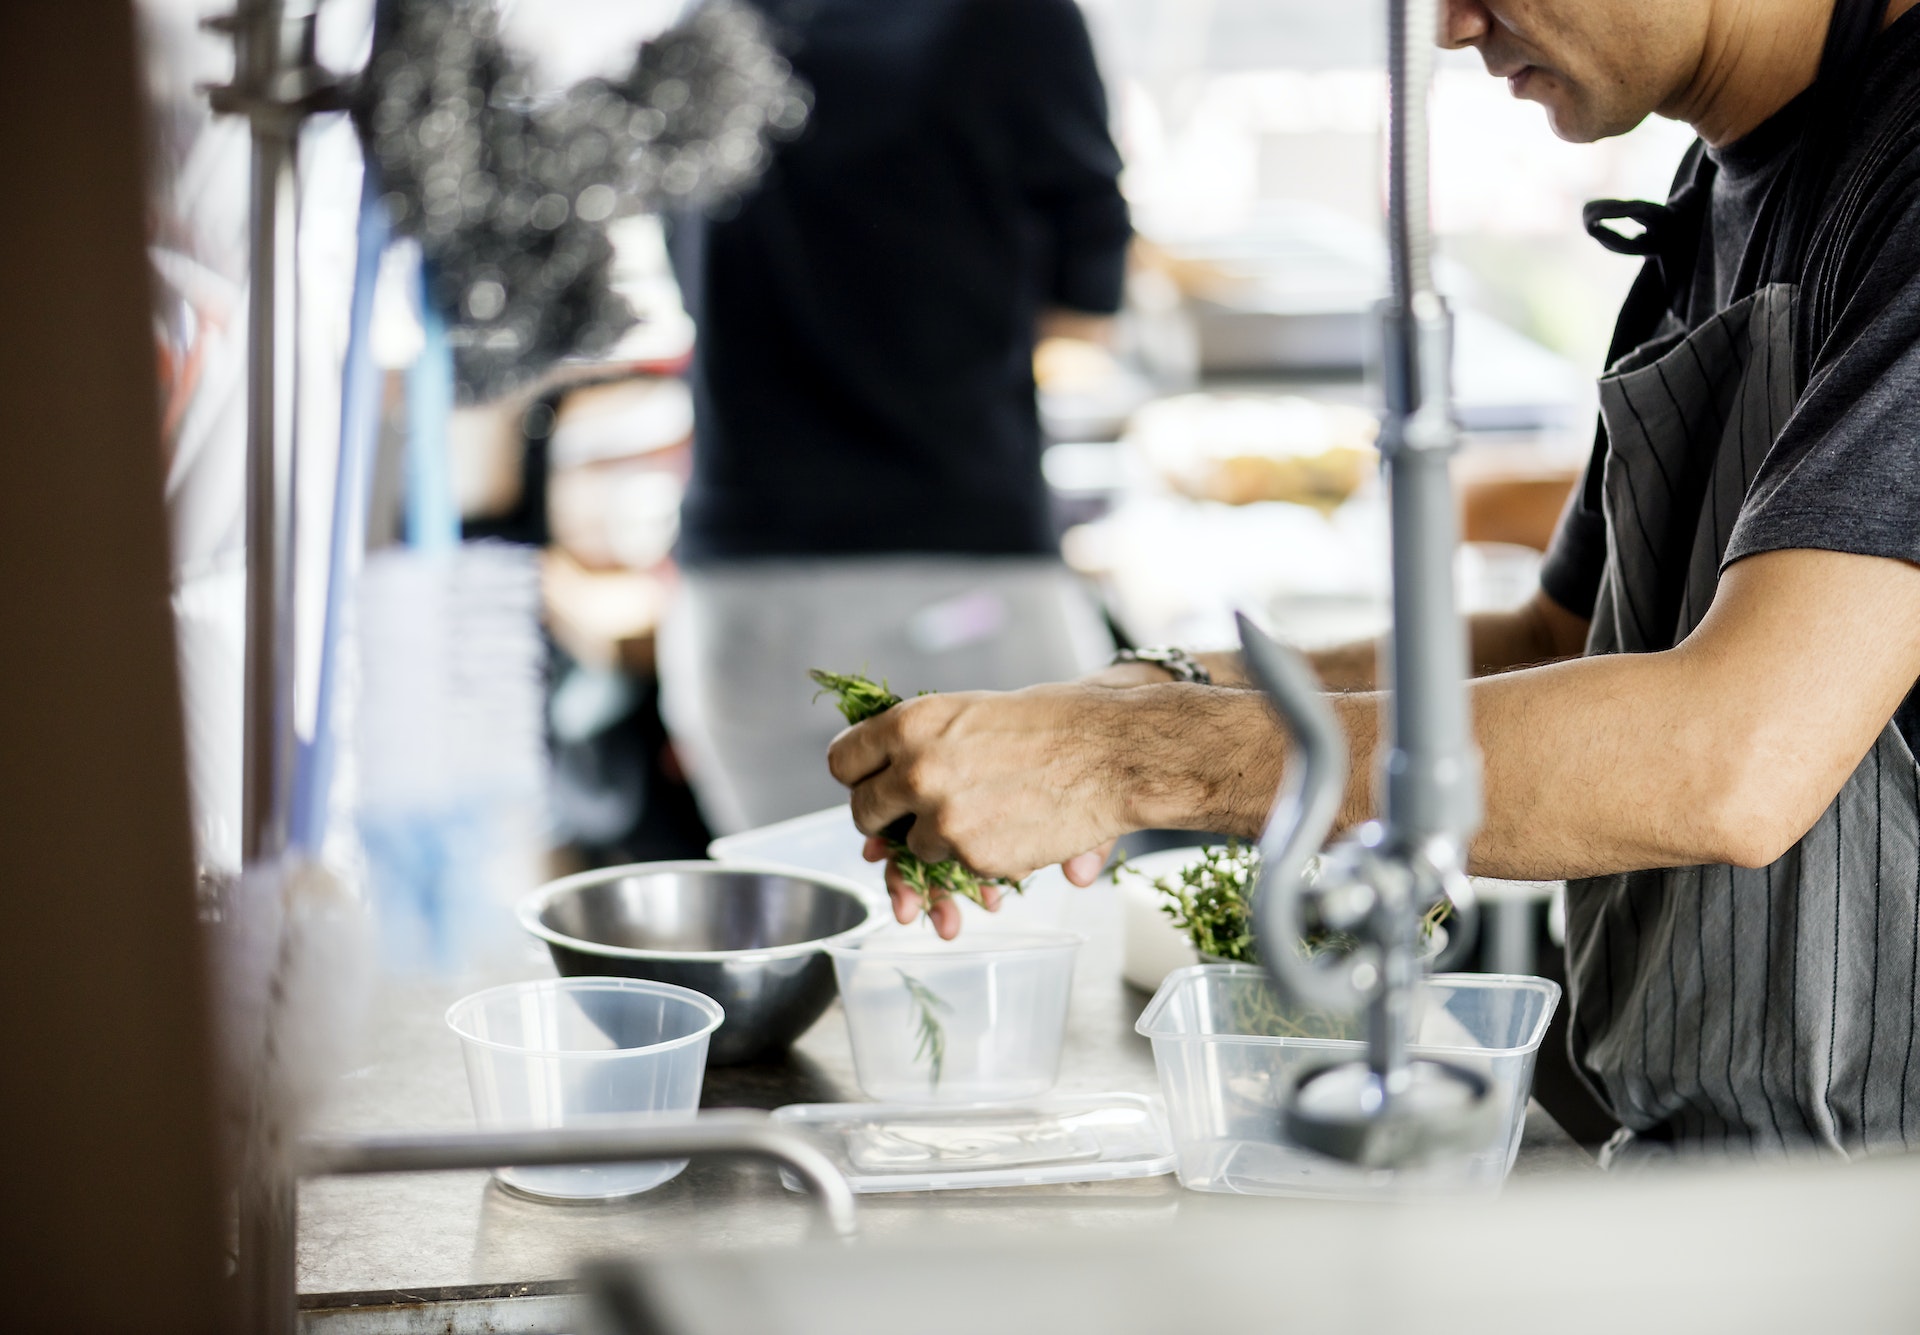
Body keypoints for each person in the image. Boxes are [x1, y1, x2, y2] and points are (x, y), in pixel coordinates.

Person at [830, 0, 1920, 1161]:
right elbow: (1558, 635)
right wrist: (1158, 691)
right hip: (1721, 1164)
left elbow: (1732, 756)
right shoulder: (1715, 199)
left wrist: (1123, 764)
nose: (1448, 26)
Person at [659, 0, 1129, 834]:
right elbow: (1086, 303)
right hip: (958, 576)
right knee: (1030, 942)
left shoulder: (696, 19)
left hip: (739, 600)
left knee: (802, 937)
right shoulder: (1018, 20)